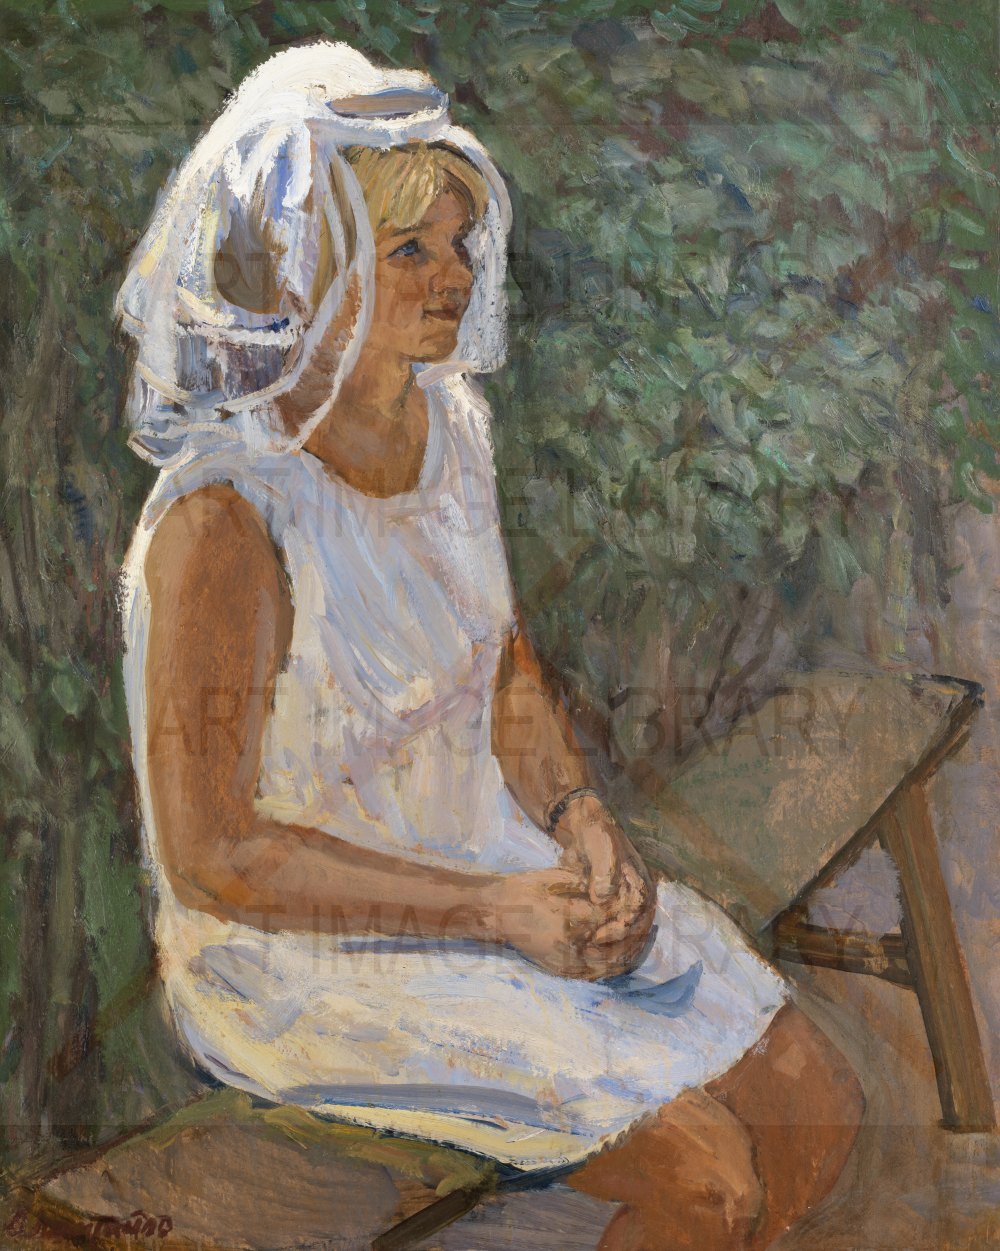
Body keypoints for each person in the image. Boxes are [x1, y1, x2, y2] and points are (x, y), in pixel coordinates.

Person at [118, 42, 864, 1250]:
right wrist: (492, 911)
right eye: (410, 249)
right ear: (308, 267)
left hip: (491, 869)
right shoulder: (226, 513)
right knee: (707, 1183)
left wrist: (578, 818)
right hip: (309, 956)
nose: (456, 274)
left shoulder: (450, 426)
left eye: (460, 242)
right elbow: (214, 855)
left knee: (812, 1104)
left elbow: (502, 672)